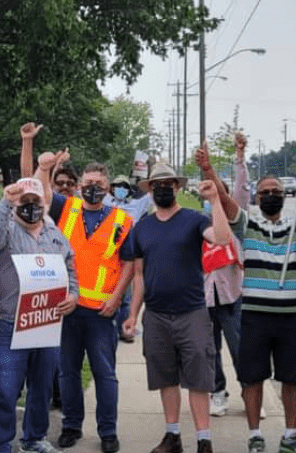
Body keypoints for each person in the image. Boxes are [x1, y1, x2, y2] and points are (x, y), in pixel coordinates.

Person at [199, 142, 296, 453]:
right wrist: (208, 170)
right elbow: (223, 198)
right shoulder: (247, 224)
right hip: (255, 317)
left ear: (285, 196)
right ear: (257, 199)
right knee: (253, 378)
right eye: (264, 192)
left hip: (288, 318)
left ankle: (289, 436)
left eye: (275, 191)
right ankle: (255, 436)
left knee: (292, 379)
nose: (270, 195)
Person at [122, 162, 234, 453]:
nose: (162, 189)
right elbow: (139, 275)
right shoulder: (142, 227)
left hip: (192, 312)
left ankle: (204, 439)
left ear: (177, 187)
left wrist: (214, 200)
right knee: (165, 377)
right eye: (157, 185)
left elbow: (222, 239)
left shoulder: (194, 220)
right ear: (149, 190)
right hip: (156, 314)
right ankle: (172, 436)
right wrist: (133, 315)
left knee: (198, 378)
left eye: (168, 184)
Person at [35, 156, 135, 453]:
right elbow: (42, 192)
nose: (93, 189)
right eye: (88, 184)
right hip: (67, 307)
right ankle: (72, 426)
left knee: (105, 374)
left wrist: (117, 299)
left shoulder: (122, 220)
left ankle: (108, 431)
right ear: (79, 186)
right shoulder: (67, 208)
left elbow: (128, 264)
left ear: (108, 188)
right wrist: (45, 167)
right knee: (68, 372)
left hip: (102, 311)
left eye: (99, 185)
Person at [0, 177, 79, 453]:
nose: (30, 206)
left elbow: (70, 267)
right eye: (25, 202)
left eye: (35, 202)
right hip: (8, 323)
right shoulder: (3, 230)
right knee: (5, 391)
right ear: (15, 204)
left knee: (42, 388)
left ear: (43, 203)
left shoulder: (54, 234)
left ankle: (34, 438)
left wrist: (73, 296)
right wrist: (6, 201)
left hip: (45, 323)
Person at [204, 132, 250, 418]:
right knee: (210, 350)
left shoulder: (235, 221)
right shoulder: (200, 223)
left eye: (218, 193)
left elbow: (242, 191)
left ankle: (250, 391)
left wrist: (239, 158)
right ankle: (218, 392)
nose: (214, 198)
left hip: (232, 295)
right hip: (206, 297)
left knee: (240, 348)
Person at [104, 173, 152, 343]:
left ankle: (124, 329)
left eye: (125, 187)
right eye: (118, 186)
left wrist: (148, 174)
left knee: (126, 295)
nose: (122, 189)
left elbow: (150, 195)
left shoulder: (136, 206)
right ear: (111, 188)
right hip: (106, 254)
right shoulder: (104, 202)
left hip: (127, 256)